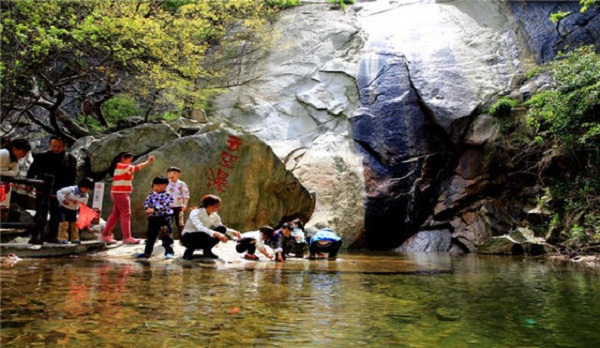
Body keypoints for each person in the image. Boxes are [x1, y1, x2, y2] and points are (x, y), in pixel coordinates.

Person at [27, 136, 77, 243]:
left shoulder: (70, 159)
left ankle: (52, 235)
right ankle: (36, 235)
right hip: (43, 188)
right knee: (40, 212)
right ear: (50, 145)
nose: (56, 148)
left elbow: (72, 177)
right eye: (53, 146)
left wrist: (70, 191)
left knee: (57, 213)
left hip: (60, 190)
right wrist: (29, 183)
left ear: (64, 146)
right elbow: (32, 171)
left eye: (59, 146)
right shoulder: (42, 156)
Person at [100, 151, 155, 245]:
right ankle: (127, 237)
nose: (130, 162)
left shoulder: (118, 167)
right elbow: (138, 167)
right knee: (126, 214)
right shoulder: (122, 166)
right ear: (123, 159)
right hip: (121, 193)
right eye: (129, 160)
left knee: (116, 214)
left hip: (117, 193)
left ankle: (105, 234)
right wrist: (148, 162)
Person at [181, 194, 240, 260]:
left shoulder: (214, 215)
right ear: (209, 205)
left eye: (218, 206)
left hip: (203, 237)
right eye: (216, 206)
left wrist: (233, 232)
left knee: (221, 229)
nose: (217, 208)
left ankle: (207, 251)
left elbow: (220, 226)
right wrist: (217, 234)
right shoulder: (195, 212)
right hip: (188, 238)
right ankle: (188, 252)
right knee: (204, 233)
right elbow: (200, 227)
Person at [137, 176, 175, 259]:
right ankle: (147, 253)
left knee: (166, 236)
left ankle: (169, 252)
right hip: (153, 218)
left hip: (165, 218)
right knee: (151, 236)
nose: (156, 187)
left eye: (158, 185)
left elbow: (166, 206)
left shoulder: (169, 195)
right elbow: (146, 204)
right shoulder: (150, 196)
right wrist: (147, 208)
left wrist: (154, 209)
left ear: (165, 185)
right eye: (155, 185)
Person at [56, 177, 95, 244]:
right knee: (64, 224)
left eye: (88, 189)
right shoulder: (71, 189)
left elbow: (83, 206)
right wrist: (63, 200)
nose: (87, 190)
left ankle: (75, 238)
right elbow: (59, 192)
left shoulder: (86, 196)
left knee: (74, 225)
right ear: (82, 186)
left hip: (74, 210)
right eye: (86, 188)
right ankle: (62, 238)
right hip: (64, 208)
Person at [0, 138, 31, 210]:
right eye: (24, 152)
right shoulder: (3, 153)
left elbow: (14, 173)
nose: (24, 155)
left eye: (26, 153)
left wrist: (1, 172)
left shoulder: (15, 159)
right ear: (14, 149)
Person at [165, 166, 189, 241]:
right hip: (167, 207)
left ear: (178, 174)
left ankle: (182, 240)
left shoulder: (182, 184)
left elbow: (186, 195)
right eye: (170, 173)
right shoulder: (165, 183)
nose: (172, 175)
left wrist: (185, 205)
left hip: (179, 207)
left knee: (180, 224)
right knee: (167, 223)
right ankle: (167, 240)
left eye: (174, 173)